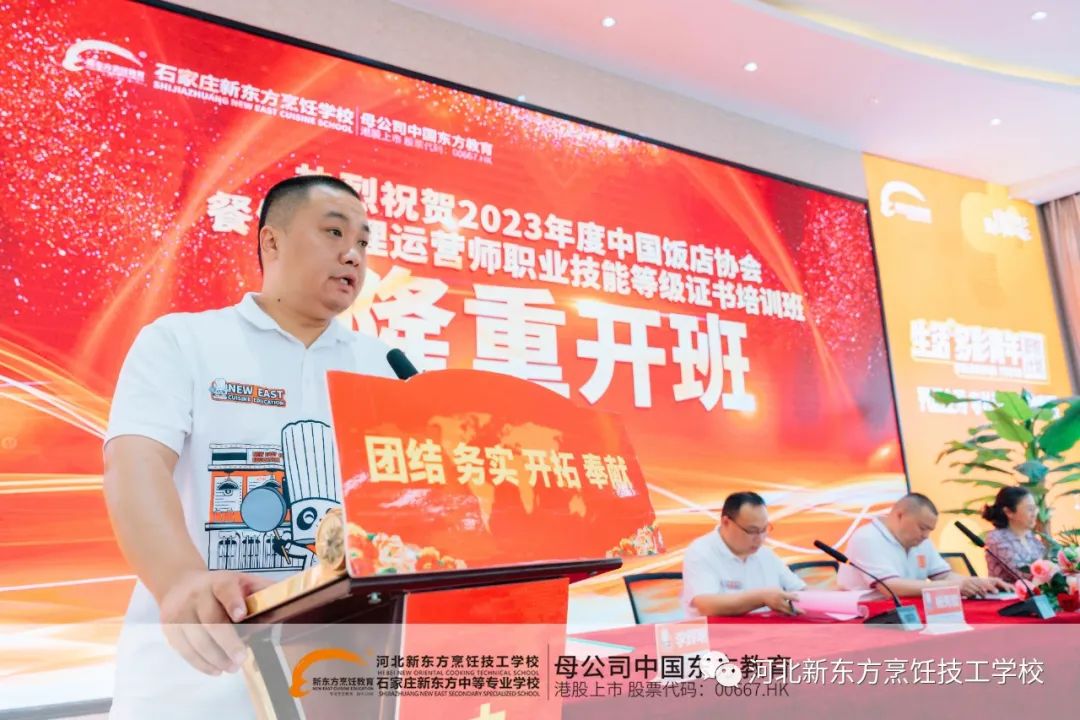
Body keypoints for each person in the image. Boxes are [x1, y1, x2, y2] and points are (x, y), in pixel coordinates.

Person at [103, 175, 398, 718]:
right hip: (199, 674)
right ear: (272, 241)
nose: (353, 255)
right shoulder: (183, 341)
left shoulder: (386, 366)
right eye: (334, 232)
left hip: (343, 678)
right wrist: (180, 580)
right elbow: (135, 462)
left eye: (362, 242)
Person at [837, 493, 1011, 598]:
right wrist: (954, 587)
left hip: (906, 612)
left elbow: (943, 576)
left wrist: (980, 583)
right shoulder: (868, 538)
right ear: (900, 515)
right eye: (922, 528)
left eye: (930, 530)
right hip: (865, 618)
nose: (926, 536)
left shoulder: (922, 541)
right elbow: (890, 587)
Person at [681, 492, 806, 617]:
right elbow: (707, 606)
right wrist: (761, 598)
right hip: (719, 629)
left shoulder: (766, 554)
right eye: (752, 531)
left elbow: (799, 591)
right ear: (726, 522)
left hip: (767, 628)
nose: (760, 538)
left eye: (764, 529)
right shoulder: (701, 551)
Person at [982, 486, 1044, 582]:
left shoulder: (1031, 537)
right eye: (1030, 509)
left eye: (1035, 508)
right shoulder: (996, 539)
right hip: (1010, 591)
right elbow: (1023, 574)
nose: (1034, 514)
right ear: (1009, 512)